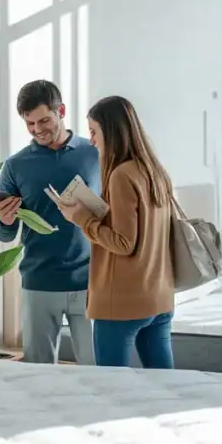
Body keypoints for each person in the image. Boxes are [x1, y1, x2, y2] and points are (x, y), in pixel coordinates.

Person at [54, 95, 176, 369]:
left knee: (111, 385)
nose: (91, 140)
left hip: (122, 302)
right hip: (159, 297)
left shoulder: (122, 175)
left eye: (94, 132)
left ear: (112, 132)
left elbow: (124, 243)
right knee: (166, 382)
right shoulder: (155, 171)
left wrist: (80, 217)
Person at [0, 80, 100, 365]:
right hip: (39, 282)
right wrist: (3, 220)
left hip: (91, 281)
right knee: (37, 374)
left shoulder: (94, 153)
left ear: (60, 111)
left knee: (99, 370)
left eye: (44, 121)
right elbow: (4, 234)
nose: (38, 130)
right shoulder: (15, 166)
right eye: (30, 124)